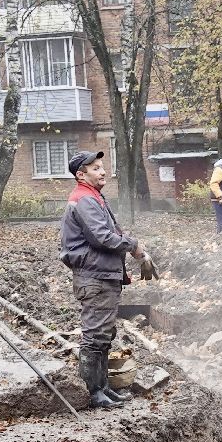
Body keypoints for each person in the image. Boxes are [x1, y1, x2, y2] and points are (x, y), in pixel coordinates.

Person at [59, 150, 147, 410]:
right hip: (94, 276)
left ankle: (103, 387)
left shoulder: (93, 196)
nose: (103, 171)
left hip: (101, 274)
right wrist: (133, 245)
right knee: (95, 336)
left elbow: (107, 233)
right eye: (95, 168)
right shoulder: (84, 199)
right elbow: (102, 237)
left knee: (104, 335)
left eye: (102, 166)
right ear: (81, 174)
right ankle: (94, 392)